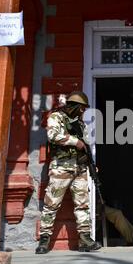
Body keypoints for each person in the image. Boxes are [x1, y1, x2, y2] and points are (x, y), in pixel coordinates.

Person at [36, 91, 101, 254]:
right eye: (82, 108)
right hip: (61, 168)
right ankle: (44, 240)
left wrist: (91, 164)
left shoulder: (81, 125)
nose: (83, 112)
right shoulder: (56, 117)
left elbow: (85, 146)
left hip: (79, 169)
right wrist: (75, 141)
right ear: (75, 106)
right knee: (51, 204)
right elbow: (53, 136)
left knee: (83, 205)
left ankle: (85, 239)